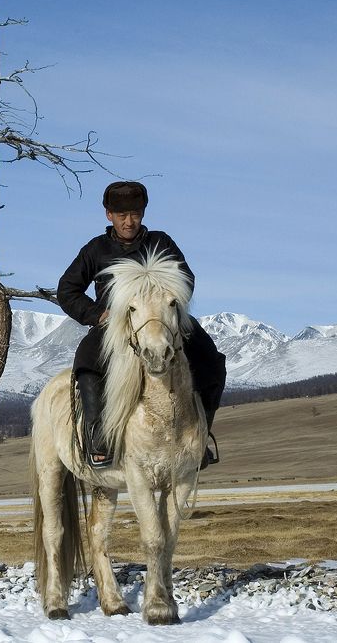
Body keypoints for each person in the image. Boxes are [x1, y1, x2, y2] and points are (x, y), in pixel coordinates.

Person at [57, 181, 226, 469]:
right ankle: (99, 438)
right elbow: (67, 290)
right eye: (121, 215)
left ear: (143, 212)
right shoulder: (95, 250)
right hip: (116, 326)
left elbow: (186, 279)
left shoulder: (161, 243)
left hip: (164, 320)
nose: (129, 221)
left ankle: (199, 436)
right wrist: (100, 315)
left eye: (135, 213)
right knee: (86, 361)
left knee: (212, 361)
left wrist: (168, 303)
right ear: (108, 215)